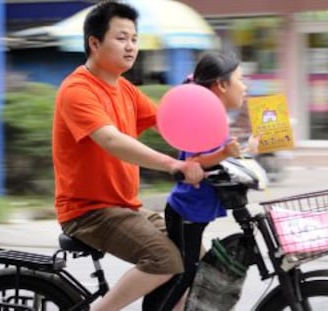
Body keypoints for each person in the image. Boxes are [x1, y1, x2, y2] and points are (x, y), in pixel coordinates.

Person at [52, 1, 204, 310]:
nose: (131, 46)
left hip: (125, 207)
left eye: (134, 38)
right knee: (164, 259)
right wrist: (173, 165)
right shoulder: (77, 90)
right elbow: (111, 140)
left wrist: (218, 145)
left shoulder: (125, 89)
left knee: (197, 255)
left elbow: (169, 123)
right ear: (95, 43)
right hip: (89, 213)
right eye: (121, 38)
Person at [142, 51, 260, 311]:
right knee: (182, 273)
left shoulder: (212, 116)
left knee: (187, 273)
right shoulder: (201, 117)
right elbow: (193, 163)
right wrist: (225, 153)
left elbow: (216, 157)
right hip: (186, 212)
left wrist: (245, 150)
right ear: (221, 85)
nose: (245, 86)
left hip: (194, 212)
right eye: (240, 79)